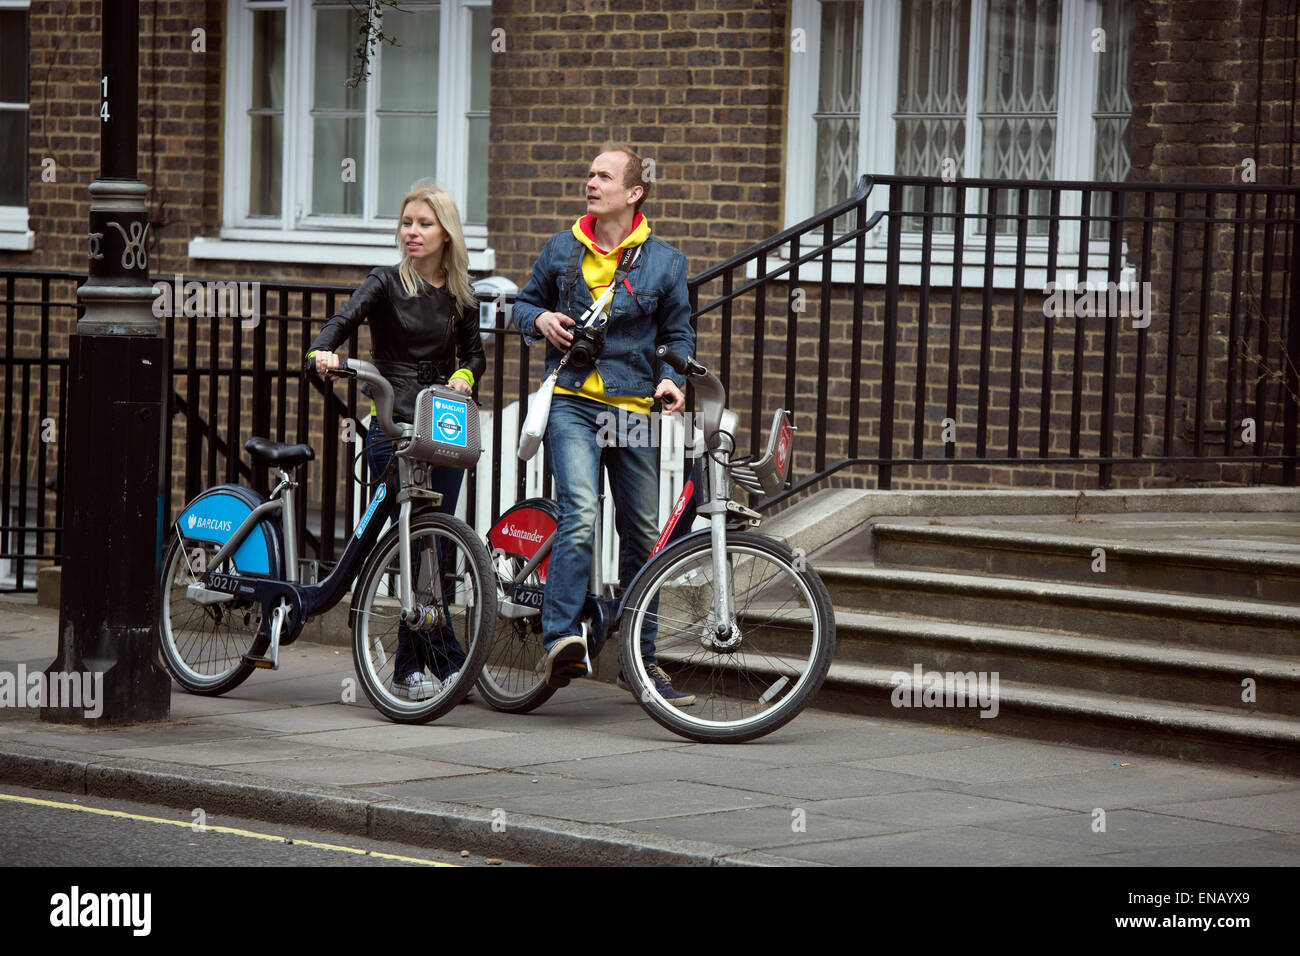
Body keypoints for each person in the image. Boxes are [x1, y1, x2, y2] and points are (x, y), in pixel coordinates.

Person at [512, 143, 697, 704]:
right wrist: (540, 317)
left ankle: (641, 663)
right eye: (589, 173)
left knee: (645, 536)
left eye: (604, 176)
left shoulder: (665, 262)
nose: (591, 182)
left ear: (633, 192)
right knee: (583, 514)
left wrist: (674, 379)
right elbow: (521, 305)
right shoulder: (562, 249)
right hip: (572, 402)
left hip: (633, 411)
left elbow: (678, 337)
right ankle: (561, 638)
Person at [307, 181, 486, 701]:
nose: (412, 232)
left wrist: (464, 380)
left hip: (443, 425)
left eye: (424, 224)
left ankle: (427, 661)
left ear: (446, 234)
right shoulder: (385, 282)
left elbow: (475, 358)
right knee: (411, 544)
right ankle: (429, 661)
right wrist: (323, 349)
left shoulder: (460, 294)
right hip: (392, 427)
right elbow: (344, 319)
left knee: (437, 546)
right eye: (407, 223)